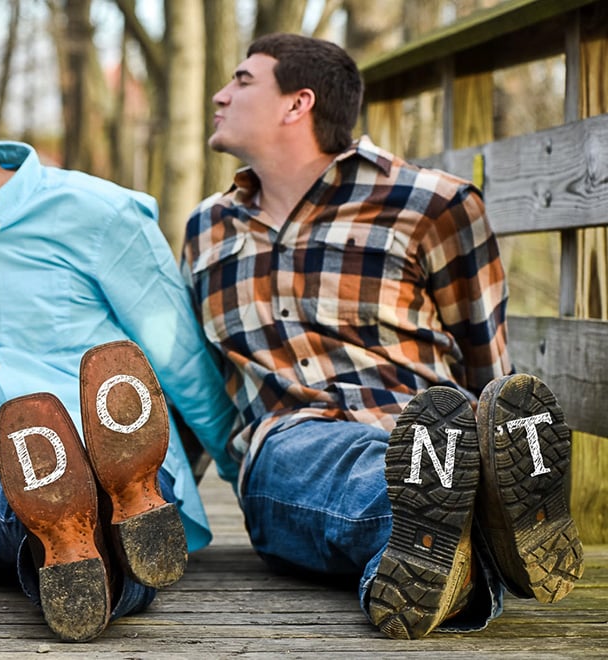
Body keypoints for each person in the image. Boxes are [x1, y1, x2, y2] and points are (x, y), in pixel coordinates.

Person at [182, 32, 585, 640]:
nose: (219, 95)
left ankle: (453, 554)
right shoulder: (207, 230)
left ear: (298, 104)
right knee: (353, 465)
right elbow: (196, 382)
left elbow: (490, 370)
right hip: (287, 449)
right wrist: (157, 504)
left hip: (425, 422)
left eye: (241, 81)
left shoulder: (435, 204)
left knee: (447, 452)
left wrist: (488, 439)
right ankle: (478, 523)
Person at [0, 47, 237, 642]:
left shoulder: (100, 213)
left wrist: (248, 484)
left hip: (112, 436)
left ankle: (114, 514)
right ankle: (98, 543)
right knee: (4, 478)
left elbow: (182, 359)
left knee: (74, 473)